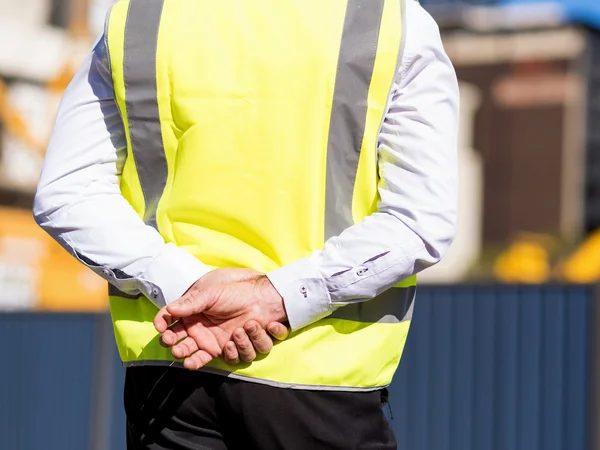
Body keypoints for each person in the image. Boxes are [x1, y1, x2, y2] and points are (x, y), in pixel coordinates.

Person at [34, 0, 459, 447]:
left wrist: (185, 286)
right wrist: (274, 298)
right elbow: (418, 220)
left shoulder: (139, 16)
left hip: (170, 370)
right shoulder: (390, 21)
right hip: (319, 376)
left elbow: (67, 194)